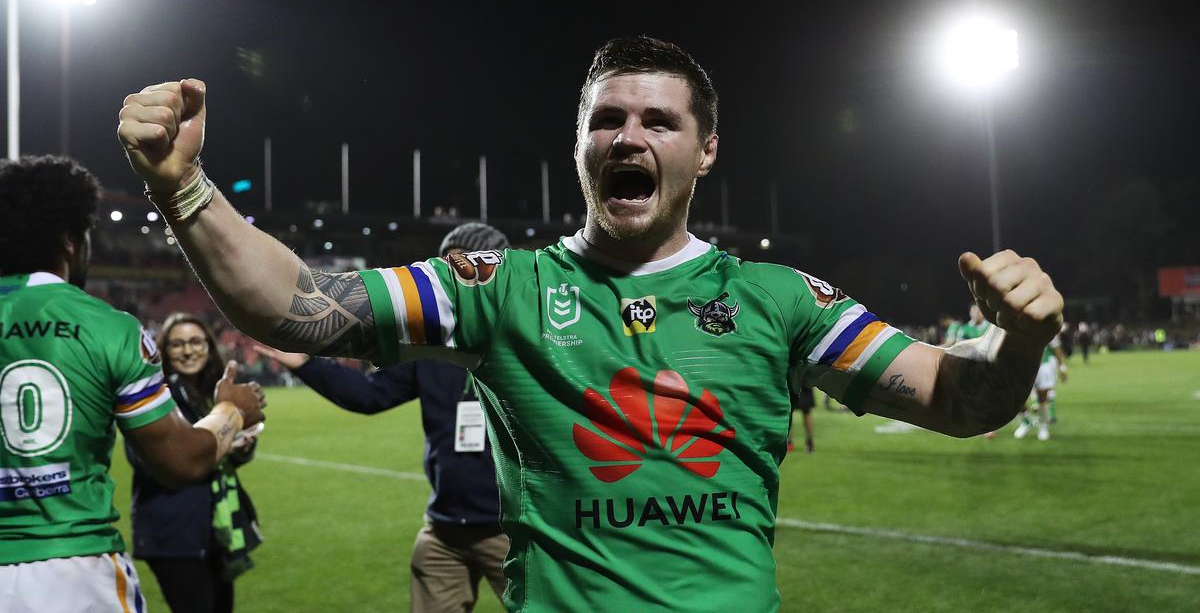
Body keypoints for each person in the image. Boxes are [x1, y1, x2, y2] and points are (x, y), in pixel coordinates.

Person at [116, 35, 1064, 612]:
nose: (630, 137)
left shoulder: (782, 299)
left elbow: (958, 398)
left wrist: (1018, 342)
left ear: (706, 149)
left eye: (660, 120)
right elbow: (299, 305)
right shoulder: (499, 286)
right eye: (607, 118)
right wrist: (182, 187)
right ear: (579, 145)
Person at [0, 156, 264, 612]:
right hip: (75, 574)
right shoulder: (107, 327)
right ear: (69, 241)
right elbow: (180, 462)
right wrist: (232, 410)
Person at [254, 222, 511, 613]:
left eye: (471, 268)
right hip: (443, 531)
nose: (458, 277)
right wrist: (306, 364)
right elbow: (370, 395)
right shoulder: (431, 349)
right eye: (450, 267)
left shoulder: (528, 343)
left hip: (511, 530)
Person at [126, 312, 263, 613]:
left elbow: (223, 458)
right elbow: (143, 460)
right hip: (173, 532)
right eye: (177, 344)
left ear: (209, 346)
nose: (188, 351)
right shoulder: (152, 394)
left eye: (196, 341)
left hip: (216, 528)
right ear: (163, 350)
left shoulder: (211, 393)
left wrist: (240, 448)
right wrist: (220, 443)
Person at [1013, 335, 1068, 441]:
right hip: (1020, 365)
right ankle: (1026, 421)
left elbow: (1056, 348)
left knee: (1042, 399)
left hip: (1042, 366)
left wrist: (1062, 368)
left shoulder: (1046, 323)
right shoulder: (1016, 322)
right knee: (1016, 397)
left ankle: (1043, 427)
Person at [787, 384, 816, 452]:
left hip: (794, 380)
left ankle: (789, 442)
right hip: (804, 380)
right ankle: (809, 442)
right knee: (806, 411)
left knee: (790, 410)